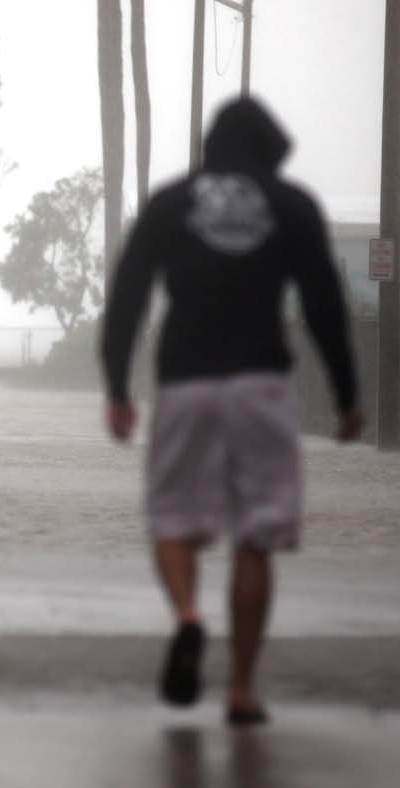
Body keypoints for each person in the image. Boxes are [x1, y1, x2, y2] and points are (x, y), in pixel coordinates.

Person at [100, 97, 364, 726]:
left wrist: (116, 388)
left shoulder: (170, 202)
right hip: (261, 384)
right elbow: (324, 301)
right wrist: (347, 393)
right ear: (269, 149)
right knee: (256, 535)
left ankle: (189, 619)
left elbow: (129, 295)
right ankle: (242, 690)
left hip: (186, 381)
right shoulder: (291, 205)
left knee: (171, 519)